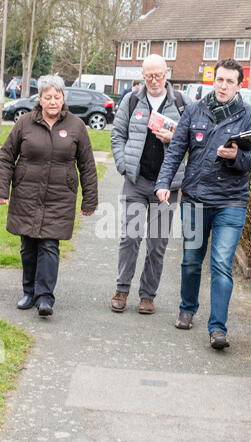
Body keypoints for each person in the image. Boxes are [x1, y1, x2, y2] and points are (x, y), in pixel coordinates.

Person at [155, 58, 251, 349]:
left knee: (221, 264)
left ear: (239, 84)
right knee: (191, 260)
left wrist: (235, 157)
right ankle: (187, 308)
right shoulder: (194, 110)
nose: (223, 86)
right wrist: (163, 183)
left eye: (230, 81)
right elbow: (176, 149)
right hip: (196, 199)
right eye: (219, 80)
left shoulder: (250, 116)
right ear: (212, 81)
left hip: (231, 202)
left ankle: (218, 329)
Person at [0, 75, 98, 317]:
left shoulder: (76, 126)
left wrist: (90, 199)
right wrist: (2, 189)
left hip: (59, 196)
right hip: (27, 194)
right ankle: (29, 291)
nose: (53, 101)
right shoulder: (24, 123)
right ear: (40, 99)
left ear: (63, 98)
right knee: (28, 246)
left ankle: (45, 297)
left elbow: (87, 165)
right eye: (48, 97)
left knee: (49, 245)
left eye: (57, 97)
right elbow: (5, 156)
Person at [110, 54, 191, 315]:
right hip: (137, 182)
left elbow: (194, 141)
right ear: (142, 75)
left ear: (167, 73)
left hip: (167, 186)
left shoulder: (181, 103)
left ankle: (147, 295)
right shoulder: (132, 100)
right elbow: (117, 134)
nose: (154, 80)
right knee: (130, 238)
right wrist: (124, 166)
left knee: (157, 244)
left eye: (158, 75)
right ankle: (122, 289)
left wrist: (174, 136)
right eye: (148, 76)